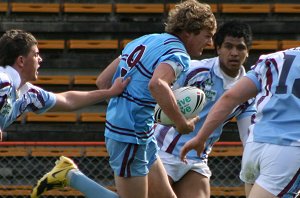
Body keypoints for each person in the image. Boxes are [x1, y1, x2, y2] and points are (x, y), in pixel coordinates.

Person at [31, 0, 217, 198]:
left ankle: (70, 174)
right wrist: (181, 123)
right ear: (189, 32)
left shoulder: (145, 40)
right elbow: (157, 84)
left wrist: (133, 103)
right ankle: (71, 176)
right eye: (207, 36)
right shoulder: (178, 54)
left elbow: (103, 81)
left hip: (137, 130)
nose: (210, 43)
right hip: (130, 134)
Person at [154, 20, 256, 198]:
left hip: (196, 159)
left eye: (240, 48)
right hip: (162, 153)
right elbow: (159, 91)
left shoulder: (248, 91)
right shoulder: (195, 70)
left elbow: (248, 136)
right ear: (218, 48)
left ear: (247, 52)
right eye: (228, 46)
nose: (234, 53)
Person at [180, 47, 300, 197]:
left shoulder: (274, 58)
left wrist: (200, 137)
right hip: (288, 149)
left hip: (256, 145)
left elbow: (230, 97)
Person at [0, 29, 129, 134]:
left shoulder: (29, 94)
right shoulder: (4, 80)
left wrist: (110, 92)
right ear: (21, 61)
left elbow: (69, 101)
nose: (40, 59)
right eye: (35, 54)